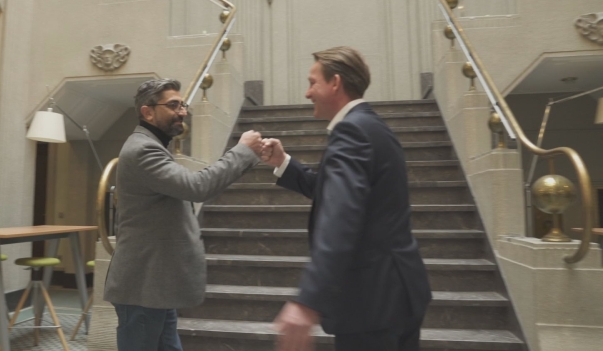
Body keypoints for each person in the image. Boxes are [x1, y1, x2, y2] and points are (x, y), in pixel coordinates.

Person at [261, 47, 431, 351]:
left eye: (312, 83)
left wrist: (308, 301)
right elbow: (336, 193)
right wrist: (283, 161)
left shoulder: (352, 131)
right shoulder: (370, 126)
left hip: (373, 301)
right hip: (396, 292)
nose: (307, 93)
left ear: (335, 83)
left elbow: (340, 216)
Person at [104, 78, 263, 351]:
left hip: (155, 285)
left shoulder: (153, 145)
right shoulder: (142, 149)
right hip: (142, 287)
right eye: (174, 105)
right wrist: (242, 151)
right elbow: (197, 186)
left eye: (183, 105)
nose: (183, 112)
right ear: (148, 112)